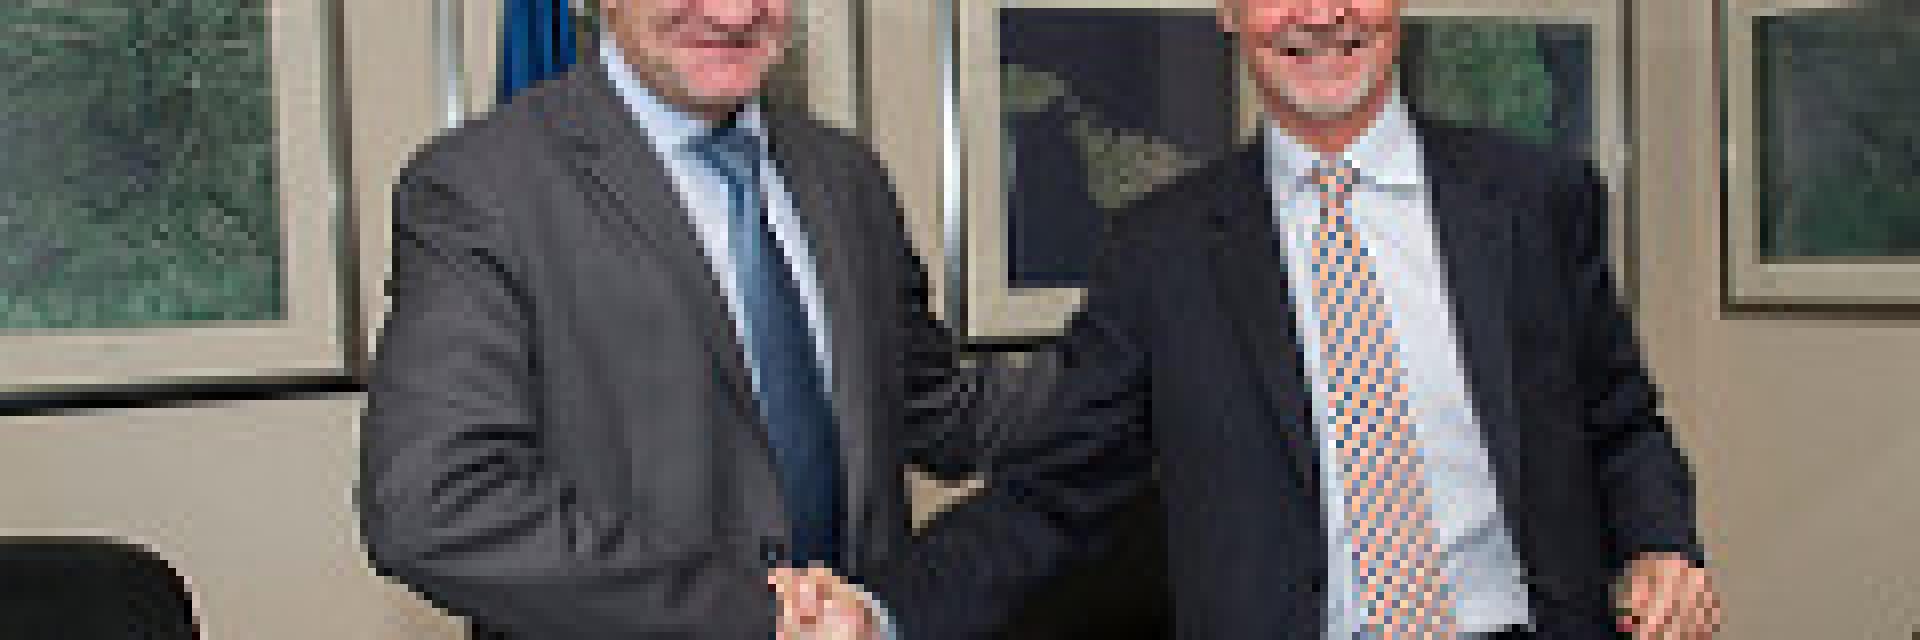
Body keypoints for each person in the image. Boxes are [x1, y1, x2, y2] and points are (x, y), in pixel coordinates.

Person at [880, 1, 1724, 638]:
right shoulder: (1158, 252)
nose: (1321, 15)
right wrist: (883, 611)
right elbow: (1053, 493)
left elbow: (1619, 423)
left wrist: (1660, 547)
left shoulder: (1537, 200)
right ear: (1228, 11)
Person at [355, 1, 1040, 638]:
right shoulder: (484, 186)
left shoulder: (847, 175)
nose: (733, 13)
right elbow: (433, 505)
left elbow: (931, 407)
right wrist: (758, 617)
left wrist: (1104, 377)